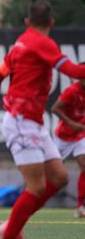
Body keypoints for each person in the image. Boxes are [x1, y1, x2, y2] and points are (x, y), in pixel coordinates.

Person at [0, 1, 85, 239]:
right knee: (36, 187)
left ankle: (14, 228)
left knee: (59, 178)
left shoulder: (20, 43)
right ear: (52, 23)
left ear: (27, 22)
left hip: (32, 122)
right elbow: (72, 70)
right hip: (20, 122)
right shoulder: (43, 43)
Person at [51, 79, 85, 218]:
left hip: (81, 135)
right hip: (63, 137)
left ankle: (80, 206)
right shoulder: (72, 91)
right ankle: (32, 198)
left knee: (84, 165)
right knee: (54, 173)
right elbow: (54, 108)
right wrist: (71, 123)